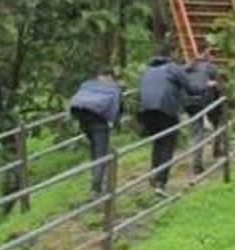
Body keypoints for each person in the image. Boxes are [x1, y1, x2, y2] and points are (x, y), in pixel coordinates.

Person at [137, 53, 203, 195]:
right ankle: (161, 182)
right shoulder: (173, 68)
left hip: (146, 110)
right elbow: (190, 87)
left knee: (158, 141)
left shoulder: (148, 70)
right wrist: (205, 87)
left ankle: (155, 174)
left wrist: (185, 68)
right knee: (168, 144)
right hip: (165, 108)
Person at [69, 68, 123, 196]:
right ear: (110, 77)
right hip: (98, 120)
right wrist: (112, 121)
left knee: (95, 150)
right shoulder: (113, 88)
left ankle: (96, 181)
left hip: (82, 116)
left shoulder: (87, 85)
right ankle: (96, 187)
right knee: (101, 153)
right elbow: (114, 108)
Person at [182, 54, 222, 175]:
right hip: (206, 100)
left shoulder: (185, 68)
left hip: (189, 103)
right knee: (218, 123)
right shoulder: (210, 67)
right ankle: (217, 150)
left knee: (196, 132)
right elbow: (219, 87)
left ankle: (196, 163)